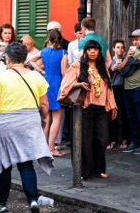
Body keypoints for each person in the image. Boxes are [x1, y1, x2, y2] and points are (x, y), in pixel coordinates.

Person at [0, 41, 53, 213]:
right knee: (26, 164)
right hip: (29, 121)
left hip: (4, 123)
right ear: (25, 58)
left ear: (7, 59)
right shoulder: (36, 77)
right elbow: (44, 103)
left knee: (4, 164)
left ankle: (1, 202)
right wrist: (45, 119)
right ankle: (32, 200)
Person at [60, 40, 118, 180]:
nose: (92, 51)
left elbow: (108, 89)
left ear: (99, 52)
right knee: (84, 141)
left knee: (102, 140)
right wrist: (78, 83)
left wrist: (113, 105)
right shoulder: (77, 66)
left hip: (100, 109)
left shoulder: (102, 68)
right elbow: (64, 85)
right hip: (83, 109)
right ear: (85, 51)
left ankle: (98, 169)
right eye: (90, 49)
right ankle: (84, 172)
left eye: (95, 49)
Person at [118, 29, 140, 155]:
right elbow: (121, 68)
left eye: (137, 39)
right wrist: (127, 57)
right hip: (127, 88)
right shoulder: (132, 51)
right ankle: (135, 142)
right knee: (131, 117)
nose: (135, 41)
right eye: (133, 39)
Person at [40, 28, 68, 156]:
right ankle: (51, 148)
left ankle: (44, 147)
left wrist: (42, 71)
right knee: (57, 117)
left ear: (48, 39)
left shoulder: (44, 51)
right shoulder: (63, 53)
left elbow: (31, 61)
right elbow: (63, 72)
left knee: (47, 118)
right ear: (61, 39)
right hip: (57, 83)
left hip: (45, 82)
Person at [108, 39, 131, 150]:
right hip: (113, 90)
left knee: (125, 115)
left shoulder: (127, 60)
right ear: (113, 49)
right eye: (118, 47)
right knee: (112, 115)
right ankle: (112, 140)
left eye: (122, 47)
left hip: (124, 88)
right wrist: (112, 69)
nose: (120, 49)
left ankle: (125, 139)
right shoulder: (109, 61)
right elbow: (105, 75)